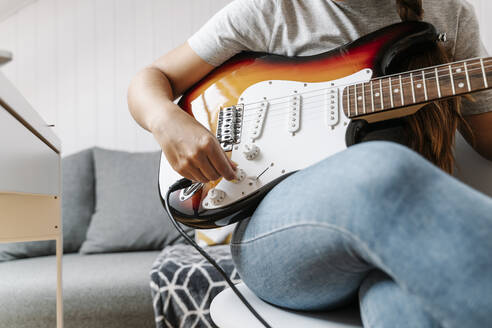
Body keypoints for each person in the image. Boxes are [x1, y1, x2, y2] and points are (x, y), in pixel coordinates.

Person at [128, 0, 492, 326]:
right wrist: (166, 120)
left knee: (400, 301)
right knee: (381, 165)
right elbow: (149, 80)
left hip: (403, 240)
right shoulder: (272, 9)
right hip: (278, 246)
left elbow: (487, 140)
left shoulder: (449, 12)